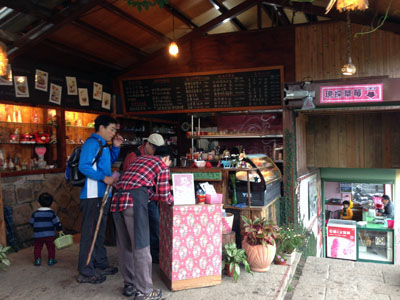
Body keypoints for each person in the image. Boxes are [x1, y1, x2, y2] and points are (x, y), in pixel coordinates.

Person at [111, 146, 174, 300]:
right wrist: (175, 201)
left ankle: (130, 285)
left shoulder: (140, 160)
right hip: (134, 203)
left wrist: (155, 196)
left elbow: (144, 188)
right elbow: (165, 195)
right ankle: (145, 291)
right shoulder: (162, 165)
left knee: (124, 246)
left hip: (117, 201)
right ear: (167, 159)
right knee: (141, 247)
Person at [77, 115, 123, 284]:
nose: (113, 133)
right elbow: (84, 166)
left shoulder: (103, 145)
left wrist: (116, 147)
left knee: (100, 231)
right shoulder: (91, 143)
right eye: (111, 129)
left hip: (102, 194)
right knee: (90, 233)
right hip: (92, 195)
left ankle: (100, 264)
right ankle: (85, 271)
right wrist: (104, 178)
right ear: (101, 128)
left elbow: (106, 162)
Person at [122, 133, 165, 265]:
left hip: (150, 195)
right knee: (140, 229)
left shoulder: (154, 158)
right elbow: (128, 179)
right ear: (147, 144)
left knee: (155, 223)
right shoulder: (133, 156)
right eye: (154, 149)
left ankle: (155, 255)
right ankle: (142, 258)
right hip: (135, 197)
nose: (156, 153)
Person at [29, 193, 62, 266]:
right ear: (51, 203)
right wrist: (60, 230)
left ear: (39, 203)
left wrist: (36, 228)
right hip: (49, 235)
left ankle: (37, 260)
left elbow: (31, 223)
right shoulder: (51, 213)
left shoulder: (35, 213)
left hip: (38, 235)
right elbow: (57, 222)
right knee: (51, 247)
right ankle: (51, 260)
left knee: (37, 247)